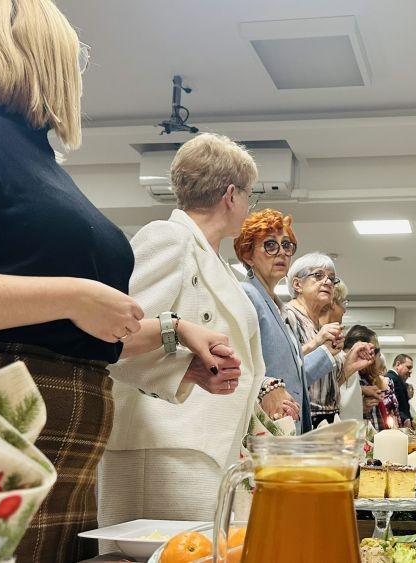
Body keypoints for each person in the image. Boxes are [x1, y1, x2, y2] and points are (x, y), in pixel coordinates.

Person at [0, 1, 232, 558]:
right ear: (39, 45)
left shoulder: (37, 160)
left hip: (53, 450)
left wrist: (173, 333)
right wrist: (70, 295)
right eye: (76, 52)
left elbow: (58, 330)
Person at [99, 135, 302, 539]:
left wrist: (259, 388)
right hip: (165, 451)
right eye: (249, 195)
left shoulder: (216, 261)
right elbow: (115, 338)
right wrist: (183, 367)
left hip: (208, 449)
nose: (248, 205)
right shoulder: (168, 238)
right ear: (231, 195)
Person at [235, 210, 370, 433]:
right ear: (248, 255)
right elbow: (237, 362)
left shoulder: (277, 308)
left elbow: (295, 378)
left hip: (288, 425)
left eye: (287, 245)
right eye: (270, 245)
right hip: (263, 427)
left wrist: (334, 358)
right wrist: (266, 386)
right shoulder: (247, 295)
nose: (282, 252)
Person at [284, 253, 364, 427]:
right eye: (318, 275)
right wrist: (315, 344)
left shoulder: (318, 325)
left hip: (328, 419)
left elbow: (320, 386)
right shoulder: (288, 316)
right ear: (297, 284)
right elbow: (284, 370)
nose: (328, 282)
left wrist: (349, 366)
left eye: (332, 279)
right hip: (301, 419)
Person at [387, 354, 414, 427]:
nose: (410, 371)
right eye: (408, 367)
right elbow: (392, 406)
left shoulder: (397, 379)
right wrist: (405, 419)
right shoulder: (392, 379)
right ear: (398, 364)